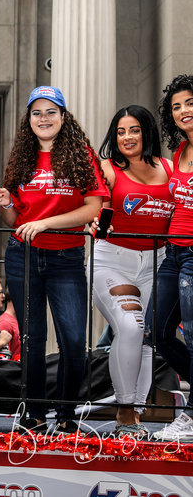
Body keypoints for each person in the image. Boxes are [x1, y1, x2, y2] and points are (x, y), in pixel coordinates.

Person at [0, 86, 107, 434]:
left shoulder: (81, 155)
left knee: (73, 340)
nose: (44, 118)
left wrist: (44, 222)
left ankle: (67, 414)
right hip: (22, 256)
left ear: (63, 116)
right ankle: (35, 413)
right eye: (36, 112)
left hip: (66, 258)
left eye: (51, 111)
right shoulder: (21, 159)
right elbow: (13, 222)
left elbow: (93, 208)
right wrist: (7, 202)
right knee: (33, 339)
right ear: (28, 119)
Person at [91, 105, 173, 440]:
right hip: (114, 258)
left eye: (135, 130)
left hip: (158, 261)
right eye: (121, 131)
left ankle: (134, 417)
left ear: (147, 133)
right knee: (129, 325)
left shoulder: (169, 168)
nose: (127, 137)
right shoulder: (107, 169)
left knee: (146, 337)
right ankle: (124, 410)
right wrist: (96, 216)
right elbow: (93, 206)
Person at [152, 75, 193, 443]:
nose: (183, 111)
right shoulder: (178, 153)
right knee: (157, 330)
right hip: (173, 252)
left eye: (190, 103)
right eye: (176, 106)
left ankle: (191, 416)